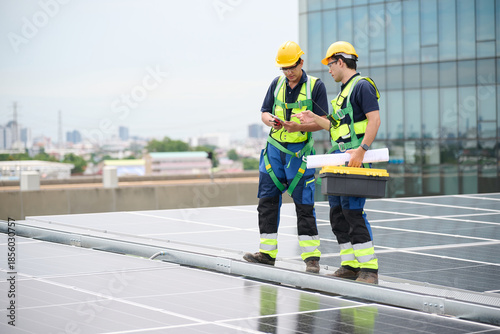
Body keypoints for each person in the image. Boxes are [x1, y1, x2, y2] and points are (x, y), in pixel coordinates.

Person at [294, 41, 381, 284]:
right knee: (338, 213)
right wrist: (313, 118)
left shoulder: (362, 87)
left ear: (341, 62)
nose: (329, 70)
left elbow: (375, 120)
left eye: (330, 65)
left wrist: (361, 150)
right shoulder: (344, 92)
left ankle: (369, 269)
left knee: (353, 211)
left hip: (354, 160)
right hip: (338, 159)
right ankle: (350, 265)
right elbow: (334, 125)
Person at [243, 41, 328, 273]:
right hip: (274, 151)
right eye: (284, 68)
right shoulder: (277, 83)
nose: (288, 72)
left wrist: (298, 128)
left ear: (301, 62)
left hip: (299, 154)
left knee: (304, 206)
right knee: (267, 203)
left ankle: (311, 258)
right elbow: (264, 111)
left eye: (292, 66)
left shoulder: (315, 86)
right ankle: (267, 253)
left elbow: (324, 123)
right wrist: (269, 119)